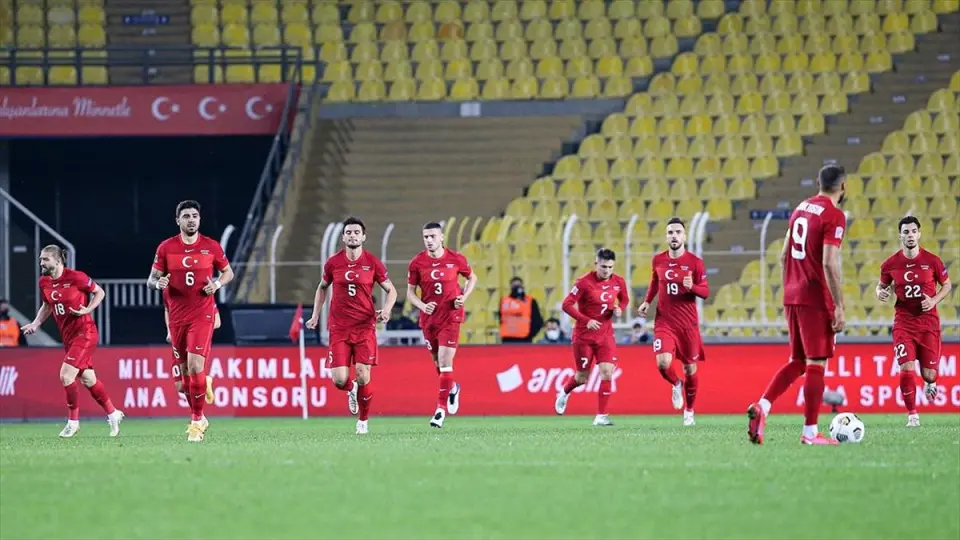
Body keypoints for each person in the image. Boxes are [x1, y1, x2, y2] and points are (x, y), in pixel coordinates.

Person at [747, 165, 848, 445]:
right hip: (814, 297)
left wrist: (791, 289)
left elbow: (783, 256)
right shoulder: (834, 215)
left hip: (792, 294)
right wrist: (839, 305)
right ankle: (810, 433)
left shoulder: (801, 208)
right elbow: (829, 263)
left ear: (818, 182)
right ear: (843, 187)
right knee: (816, 363)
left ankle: (762, 406)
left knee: (798, 362)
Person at [148, 200, 233, 442]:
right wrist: (158, 283)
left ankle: (196, 422)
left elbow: (228, 272)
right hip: (177, 317)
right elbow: (151, 280)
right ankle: (200, 414)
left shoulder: (211, 246)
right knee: (185, 377)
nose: (191, 220)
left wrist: (217, 284)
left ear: (199, 219)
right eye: (186, 216)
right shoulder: (166, 248)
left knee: (195, 366)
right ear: (178, 220)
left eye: (195, 215)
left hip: (202, 314)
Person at [306, 217, 397, 435]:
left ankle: (363, 422)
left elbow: (391, 290)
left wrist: (386, 309)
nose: (353, 236)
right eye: (348, 232)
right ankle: (351, 388)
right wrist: (315, 315)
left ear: (363, 237)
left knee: (363, 374)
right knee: (339, 380)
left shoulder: (372, 262)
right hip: (339, 328)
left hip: (365, 326)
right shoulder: (333, 262)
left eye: (357, 232)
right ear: (343, 237)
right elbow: (322, 287)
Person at [21, 245, 124, 437]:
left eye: (45, 259)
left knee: (66, 376)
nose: (41, 263)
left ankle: (73, 422)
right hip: (68, 338)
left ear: (58, 261)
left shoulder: (76, 277)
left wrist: (88, 309)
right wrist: (35, 323)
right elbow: (47, 305)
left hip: (85, 333)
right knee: (88, 379)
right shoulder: (44, 282)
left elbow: (100, 292)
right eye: (41, 259)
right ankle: (113, 414)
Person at [877, 216, 952, 427]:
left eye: (913, 231)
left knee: (929, 375)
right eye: (906, 232)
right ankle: (912, 415)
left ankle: (931, 383)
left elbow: (947, 285)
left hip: (928, 323)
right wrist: (879, 292)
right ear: (900, 236)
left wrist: (934, 300)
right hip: (904, 323)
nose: (910, 235)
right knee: (906, 366)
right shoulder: (890, 264)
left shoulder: (933, 261)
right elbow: (881, 286)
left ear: (919, 234)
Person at [406, 222, 478, 428]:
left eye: (433, 236)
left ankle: (440, 410)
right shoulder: (417, 262)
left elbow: (472, 277)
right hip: (429, 319)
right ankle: (452, 388)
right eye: (426, 237)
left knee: (446, 362)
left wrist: (463, 296)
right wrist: (422, 305)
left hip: (451, 317)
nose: (429, 240)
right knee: (439, 365)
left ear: (442, 237)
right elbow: (410, 293)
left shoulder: (456, 259)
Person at [638, 217, 709, 427]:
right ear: (666, 237)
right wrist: (647, 301)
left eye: (678, 232)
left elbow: (705, 292)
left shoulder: (695, 263)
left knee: (690, 370)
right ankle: (676, 384)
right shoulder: (658, 260)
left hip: (687, 325)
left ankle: (689, 411)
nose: (674, 236)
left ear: (684, 236)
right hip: (664, 322)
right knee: (662, 363)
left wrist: (692, 287)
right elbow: (655, 281)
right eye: (670, 232)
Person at [556, 249, 628, 426]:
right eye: (603, 267)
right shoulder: (584, 282)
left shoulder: (619, 281)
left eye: (610, 267)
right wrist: (586, 320)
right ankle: (564, 392)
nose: (607, 271)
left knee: (607, 372)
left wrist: (619, 309)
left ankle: (601, 416)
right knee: (582, 377)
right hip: (584, 336)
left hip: (605, 335)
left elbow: (624, 299)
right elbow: (566, 305)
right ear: (596, 263)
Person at [165, 305, 220, 416]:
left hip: (196, 340)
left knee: (193, 373)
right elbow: (167, 310)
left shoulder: (203, 301)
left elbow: (217, 322)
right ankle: (204, 382)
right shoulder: (176, 300)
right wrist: (169, 331)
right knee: (180, 386)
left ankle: (198, 416)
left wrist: (199, 329)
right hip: (179, 339)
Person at [499, 277, 544, 343]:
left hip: (524, 339)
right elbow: (500, 318)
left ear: (523, 286)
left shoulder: (530, 301)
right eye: (514, 285)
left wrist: (530, 335)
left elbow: (538, 321)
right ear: (510, 287)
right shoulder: (504, 301)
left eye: (519, 285)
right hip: (507, 339)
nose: (517, 287)